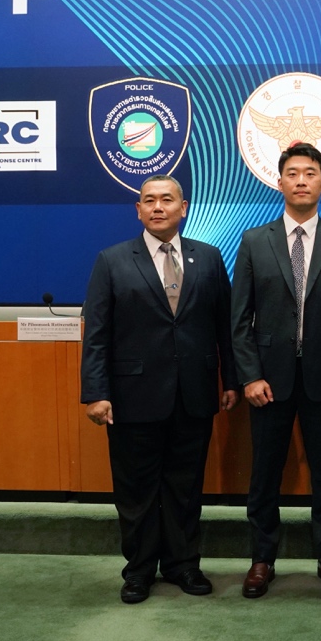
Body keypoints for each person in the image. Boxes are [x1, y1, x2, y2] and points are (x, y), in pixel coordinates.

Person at [81, 173, 238, 604]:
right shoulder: (112, 260)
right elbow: (97, 334)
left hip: (195, 393)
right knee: (137, 490)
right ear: (138, 210)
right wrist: (95, 392)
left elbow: (224, 327)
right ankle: (138, 571)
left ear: (182, 208)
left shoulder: (209, 258)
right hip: (132, 396)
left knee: (185, 488)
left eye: (167, 199)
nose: (157, 207)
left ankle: (183, 565)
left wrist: (231, 380)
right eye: (148, 200)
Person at [231, 143, 321, 599]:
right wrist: (249, 376)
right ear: (279, 182)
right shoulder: (254, 241)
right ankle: (261, 559)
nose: (302, 180)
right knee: (264, 475)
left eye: (310, 173)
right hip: (268, 381)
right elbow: (239, 319)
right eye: (293, 173)